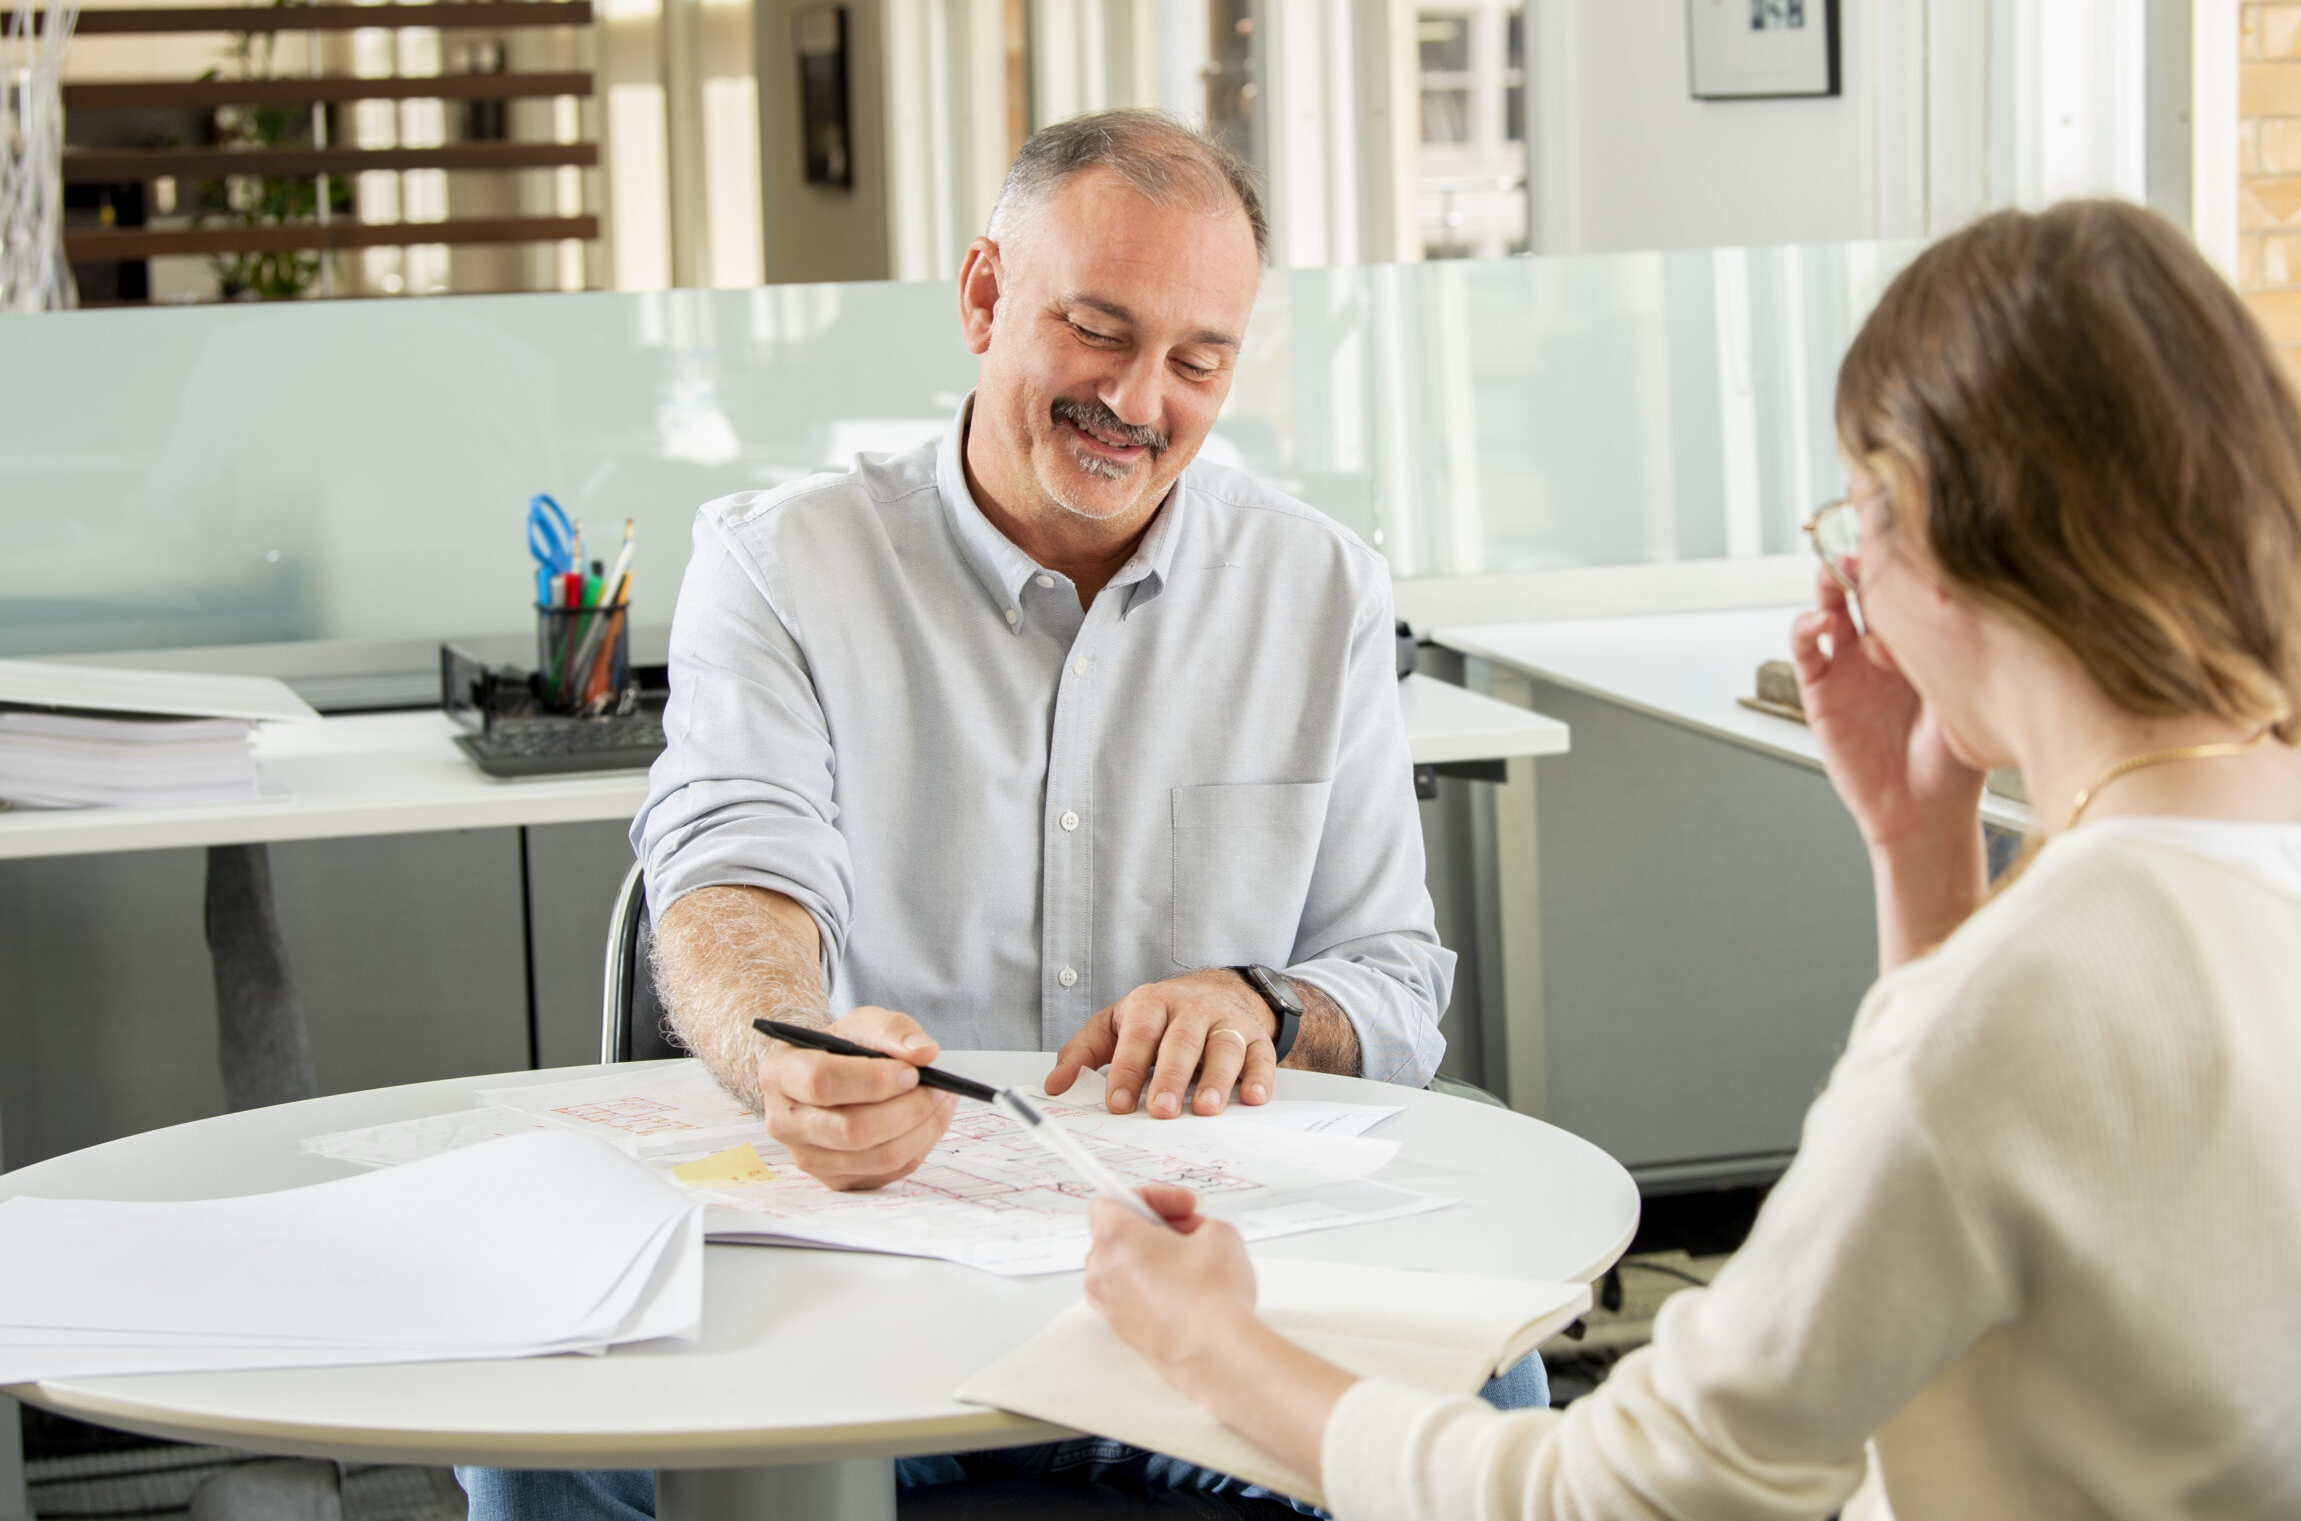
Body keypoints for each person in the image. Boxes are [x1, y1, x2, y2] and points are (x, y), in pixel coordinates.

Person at [1081, 199, 2301, 1520]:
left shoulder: (2044, 982)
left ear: (1959, 538)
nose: (1852, 566)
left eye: (1864, 508)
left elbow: (1629, 1498)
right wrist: (1919, 843)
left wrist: (1212, 1349)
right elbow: (2009, 1219)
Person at [460, 110, 1541, 1521]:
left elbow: (1396, 986)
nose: (1142, 400)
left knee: (1480, 1404)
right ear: (984, 296)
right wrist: (793, 1048)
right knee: (542, 1429)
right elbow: (731, 880)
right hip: (869, 1267)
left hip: (1189, 1272)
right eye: (1098, 331)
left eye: (1198, 361)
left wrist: (1263, 1007)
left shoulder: (1318, 588)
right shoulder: (783, 565)